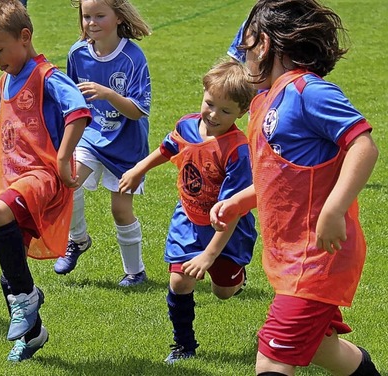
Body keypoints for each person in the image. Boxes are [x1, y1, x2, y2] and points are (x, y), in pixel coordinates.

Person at [210, 1, 381, 375]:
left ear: (266, 45)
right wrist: (240, 201)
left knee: (272, 359)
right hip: (292, 259)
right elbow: (285, 177)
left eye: (247, 44)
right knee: (324, 350)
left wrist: (334, 210)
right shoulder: (264, 102)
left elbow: (363, 145)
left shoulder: (309, 92)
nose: (242, 54)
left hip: (318, 258)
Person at [0, 0, 91, 362]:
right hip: (14, 177)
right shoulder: (5, 78)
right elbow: (4, 119)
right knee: (11, 269)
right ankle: (34, 334)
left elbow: (79, 112)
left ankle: (28, 299)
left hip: (42, 176)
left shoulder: (48, 76)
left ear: (25, 37)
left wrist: (64, 159)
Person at [119, 59, 257, 363]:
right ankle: (184, 345)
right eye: (210, 103)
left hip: (227, 230)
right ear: (204, 93)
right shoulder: (186, 125)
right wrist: (139, 169)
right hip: (188, 217)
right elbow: (168, 147)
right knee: (180, 282)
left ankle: (236, 276)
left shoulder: (237, 150)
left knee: (223, 291)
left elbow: (232, 212)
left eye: (226, 110)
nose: (213, 114)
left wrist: (209, 256)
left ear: (241, 113)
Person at [54, 0, 152, 287]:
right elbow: (71, 101)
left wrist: (108, 94)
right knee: (67, 184)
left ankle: (135, 272)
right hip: (91, 136)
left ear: (119, 18)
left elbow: (138, 110)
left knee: (120, 210)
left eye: (99, 15)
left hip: (126, 145)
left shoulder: (133, 58)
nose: (91, 22)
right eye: (86, 16)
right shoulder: (77, 53)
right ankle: (78, 240)